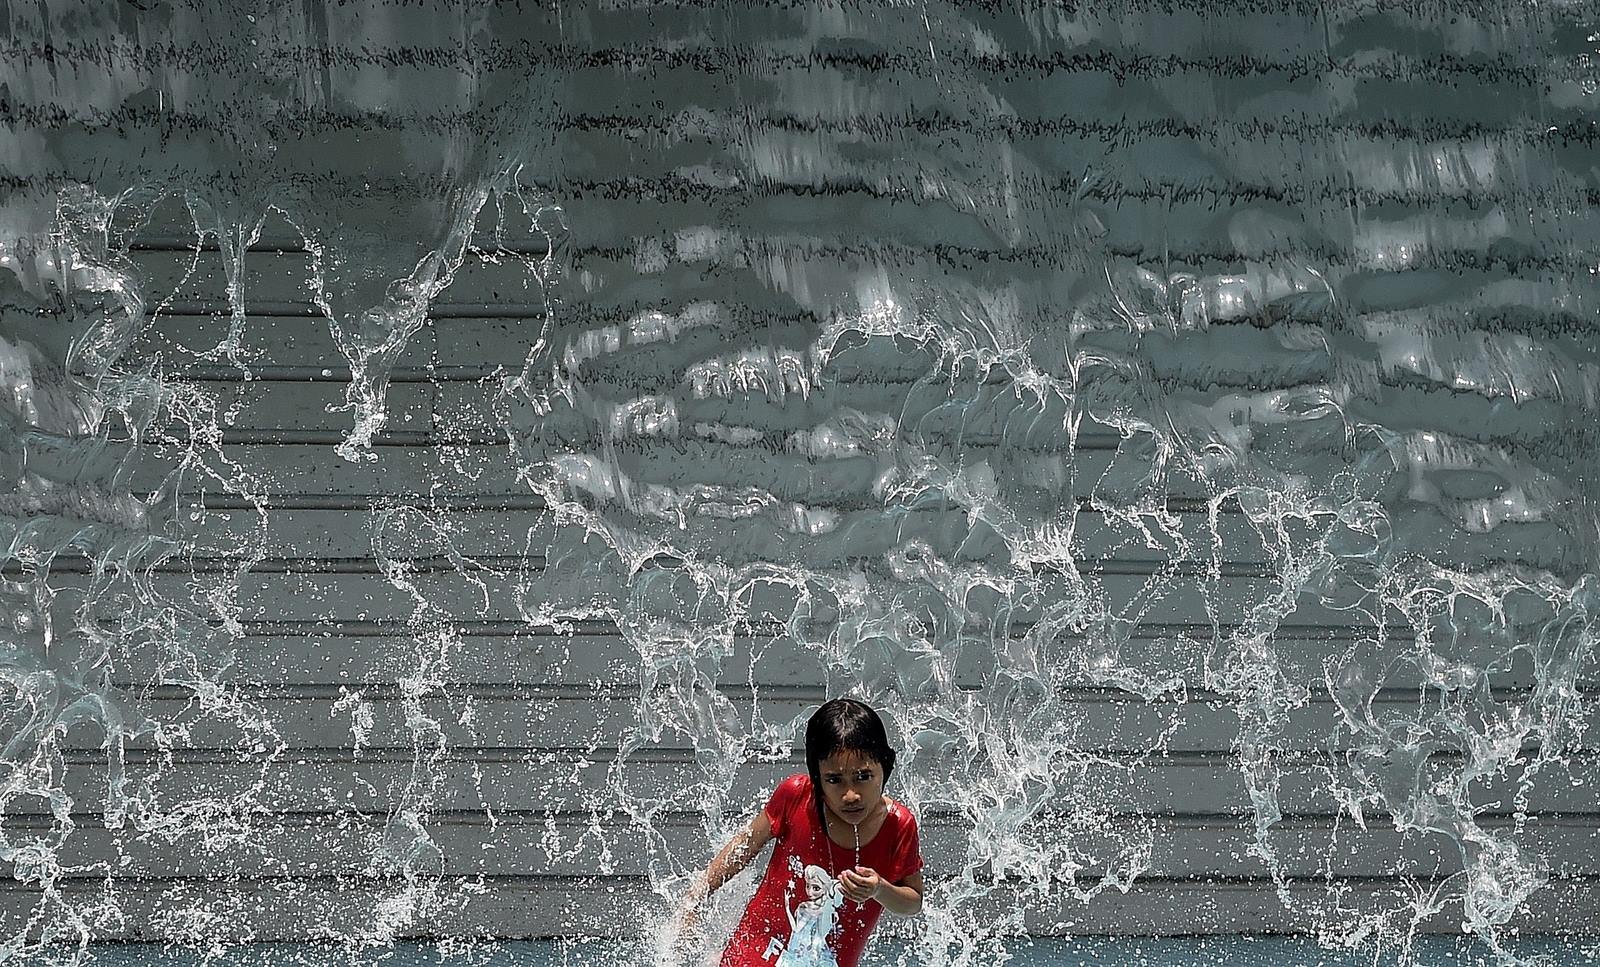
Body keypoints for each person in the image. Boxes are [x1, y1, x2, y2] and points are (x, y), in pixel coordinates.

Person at [675, 698, 924, 967]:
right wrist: (696, 896)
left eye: (863, 777)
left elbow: (913, 902)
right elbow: (743, 848)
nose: (851, 794)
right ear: (817, 777)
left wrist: (879, 889)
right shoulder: (795, 797)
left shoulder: (899, 825)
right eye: (834, 780)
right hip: (755, 951)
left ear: (885, 767)